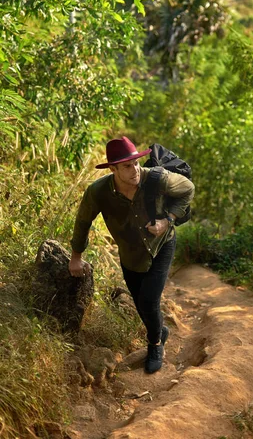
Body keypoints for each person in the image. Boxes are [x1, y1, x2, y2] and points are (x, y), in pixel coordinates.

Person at [68, 136, 195, 374]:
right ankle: (160, 330)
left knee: (149, 300)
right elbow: (83, 221)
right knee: (142, 305)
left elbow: (188, 189)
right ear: (113, 168)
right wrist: (76, 256)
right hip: (131, 254)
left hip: (162, 245)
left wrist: (168, 221)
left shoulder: (156, 179)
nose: (135, 169)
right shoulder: (98, 192)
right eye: (127, 166)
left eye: (136, 162)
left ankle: (156, 344)